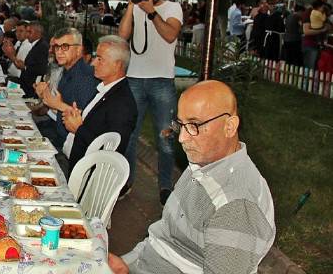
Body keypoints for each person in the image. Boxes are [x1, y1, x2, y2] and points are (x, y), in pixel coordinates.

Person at [108, 80, 275, 274]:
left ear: (229, 126)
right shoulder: (204, 163)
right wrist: (127, 263)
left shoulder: (236, 206)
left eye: (194, 125)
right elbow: (163, 237)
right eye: (181, 125)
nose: (182, 138)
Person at [118, 0, 182, 204]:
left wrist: (151, 12)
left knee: (165, 137)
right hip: (135, 78)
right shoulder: (136, 6)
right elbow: (123, 36)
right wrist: (131, 5)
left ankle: (165, 186)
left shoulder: (172, 8)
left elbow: (170, 35)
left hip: (162, 81)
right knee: (130, 135)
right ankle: (127, 181)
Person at [61, 35, 137, 176]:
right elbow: (97, 125)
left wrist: (78, 128)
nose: (93, 63)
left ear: (118, 65)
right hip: (78, 168)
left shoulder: (122, 104)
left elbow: (110, 151)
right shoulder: (105, 89)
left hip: (91, 178)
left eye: (100, 59)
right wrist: (77, 117)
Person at [34, 28, 99, 152]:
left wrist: (57, 105)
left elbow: (84, 119)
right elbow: (59, 107)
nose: (59, 52)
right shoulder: (66, 71)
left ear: (79, 50)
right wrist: (45, 97)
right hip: (60, 135)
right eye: (57, 47)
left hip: (73, 146)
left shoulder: (85, 77)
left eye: (65, 47)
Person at [8, 22, 49, 98]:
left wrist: (25, 67)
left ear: (38, 33)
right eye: (27, 32)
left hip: (31, 87)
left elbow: (42, 69)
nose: (27, 35)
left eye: (30, 32)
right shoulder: (37, 45)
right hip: (25, 83)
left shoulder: (42, 47)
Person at [302, 0, 331, 69]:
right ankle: (307, 80)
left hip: (318, 45)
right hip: (310, 45)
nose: (323, 9)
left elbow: (328, 27)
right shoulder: (309, 12)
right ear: (318, 6)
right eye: (322, 8)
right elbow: (306, 31)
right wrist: (322, 30)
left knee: (316, 68)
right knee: (309, 68)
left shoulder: (321, 14)